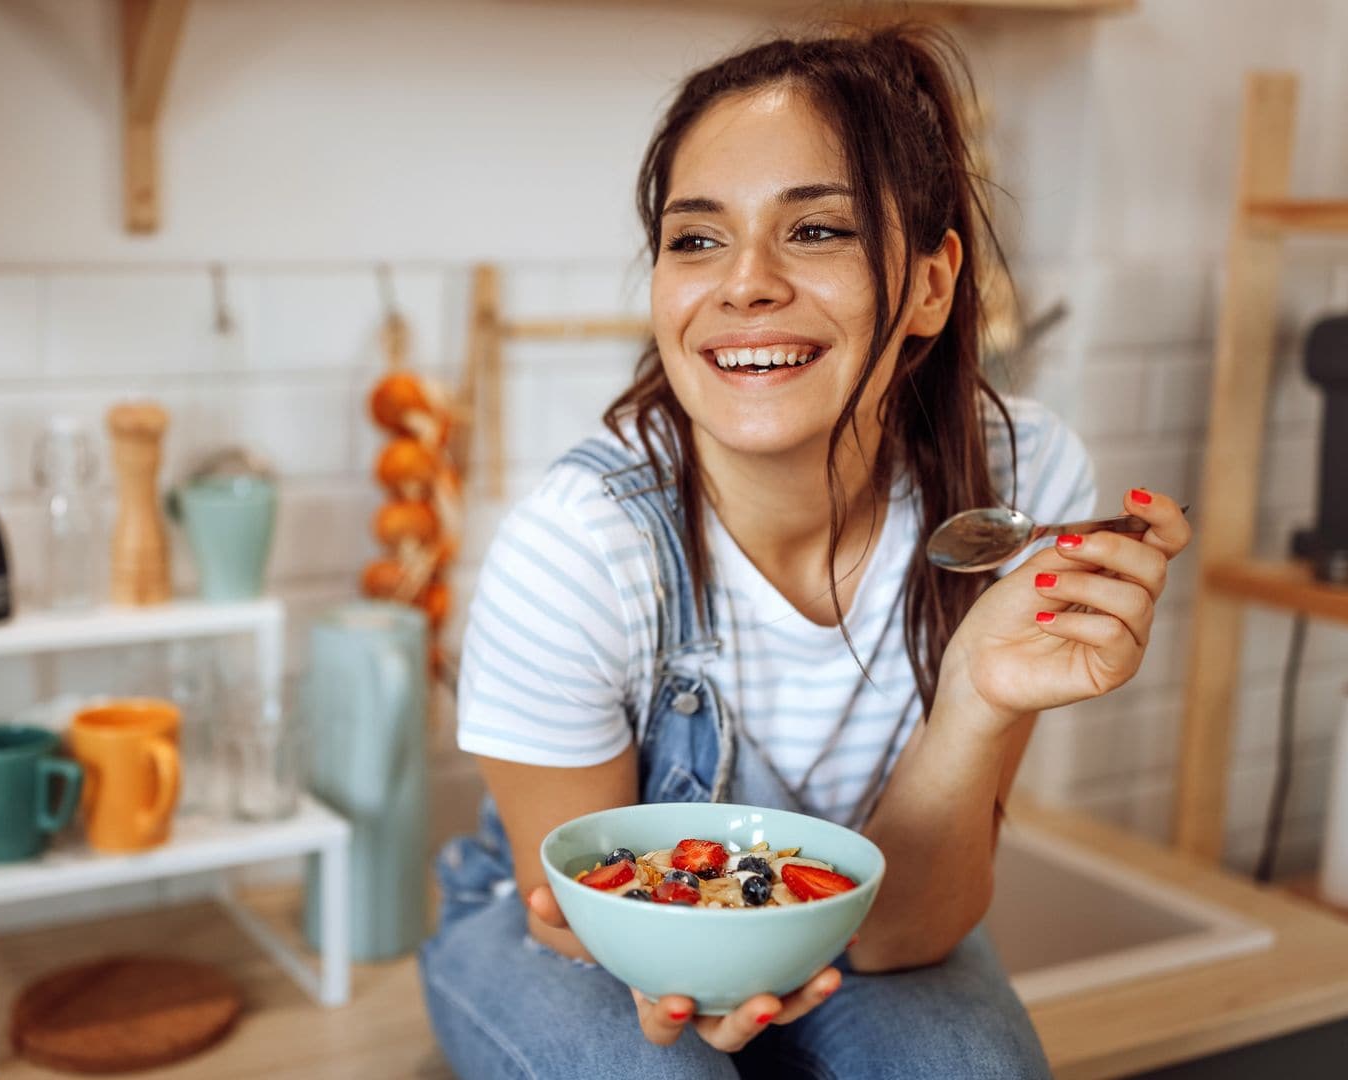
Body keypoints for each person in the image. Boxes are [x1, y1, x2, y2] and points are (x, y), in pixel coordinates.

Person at [419, 24, 1192, 1079]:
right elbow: (576, 910)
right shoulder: (579, 547)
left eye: (816, 230)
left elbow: (901, 932)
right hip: (562, 939)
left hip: (857, 927)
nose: (744, 284)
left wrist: (977, 689)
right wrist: (716, 977)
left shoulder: (1020, 491)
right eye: (696, 240)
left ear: (930, 282)